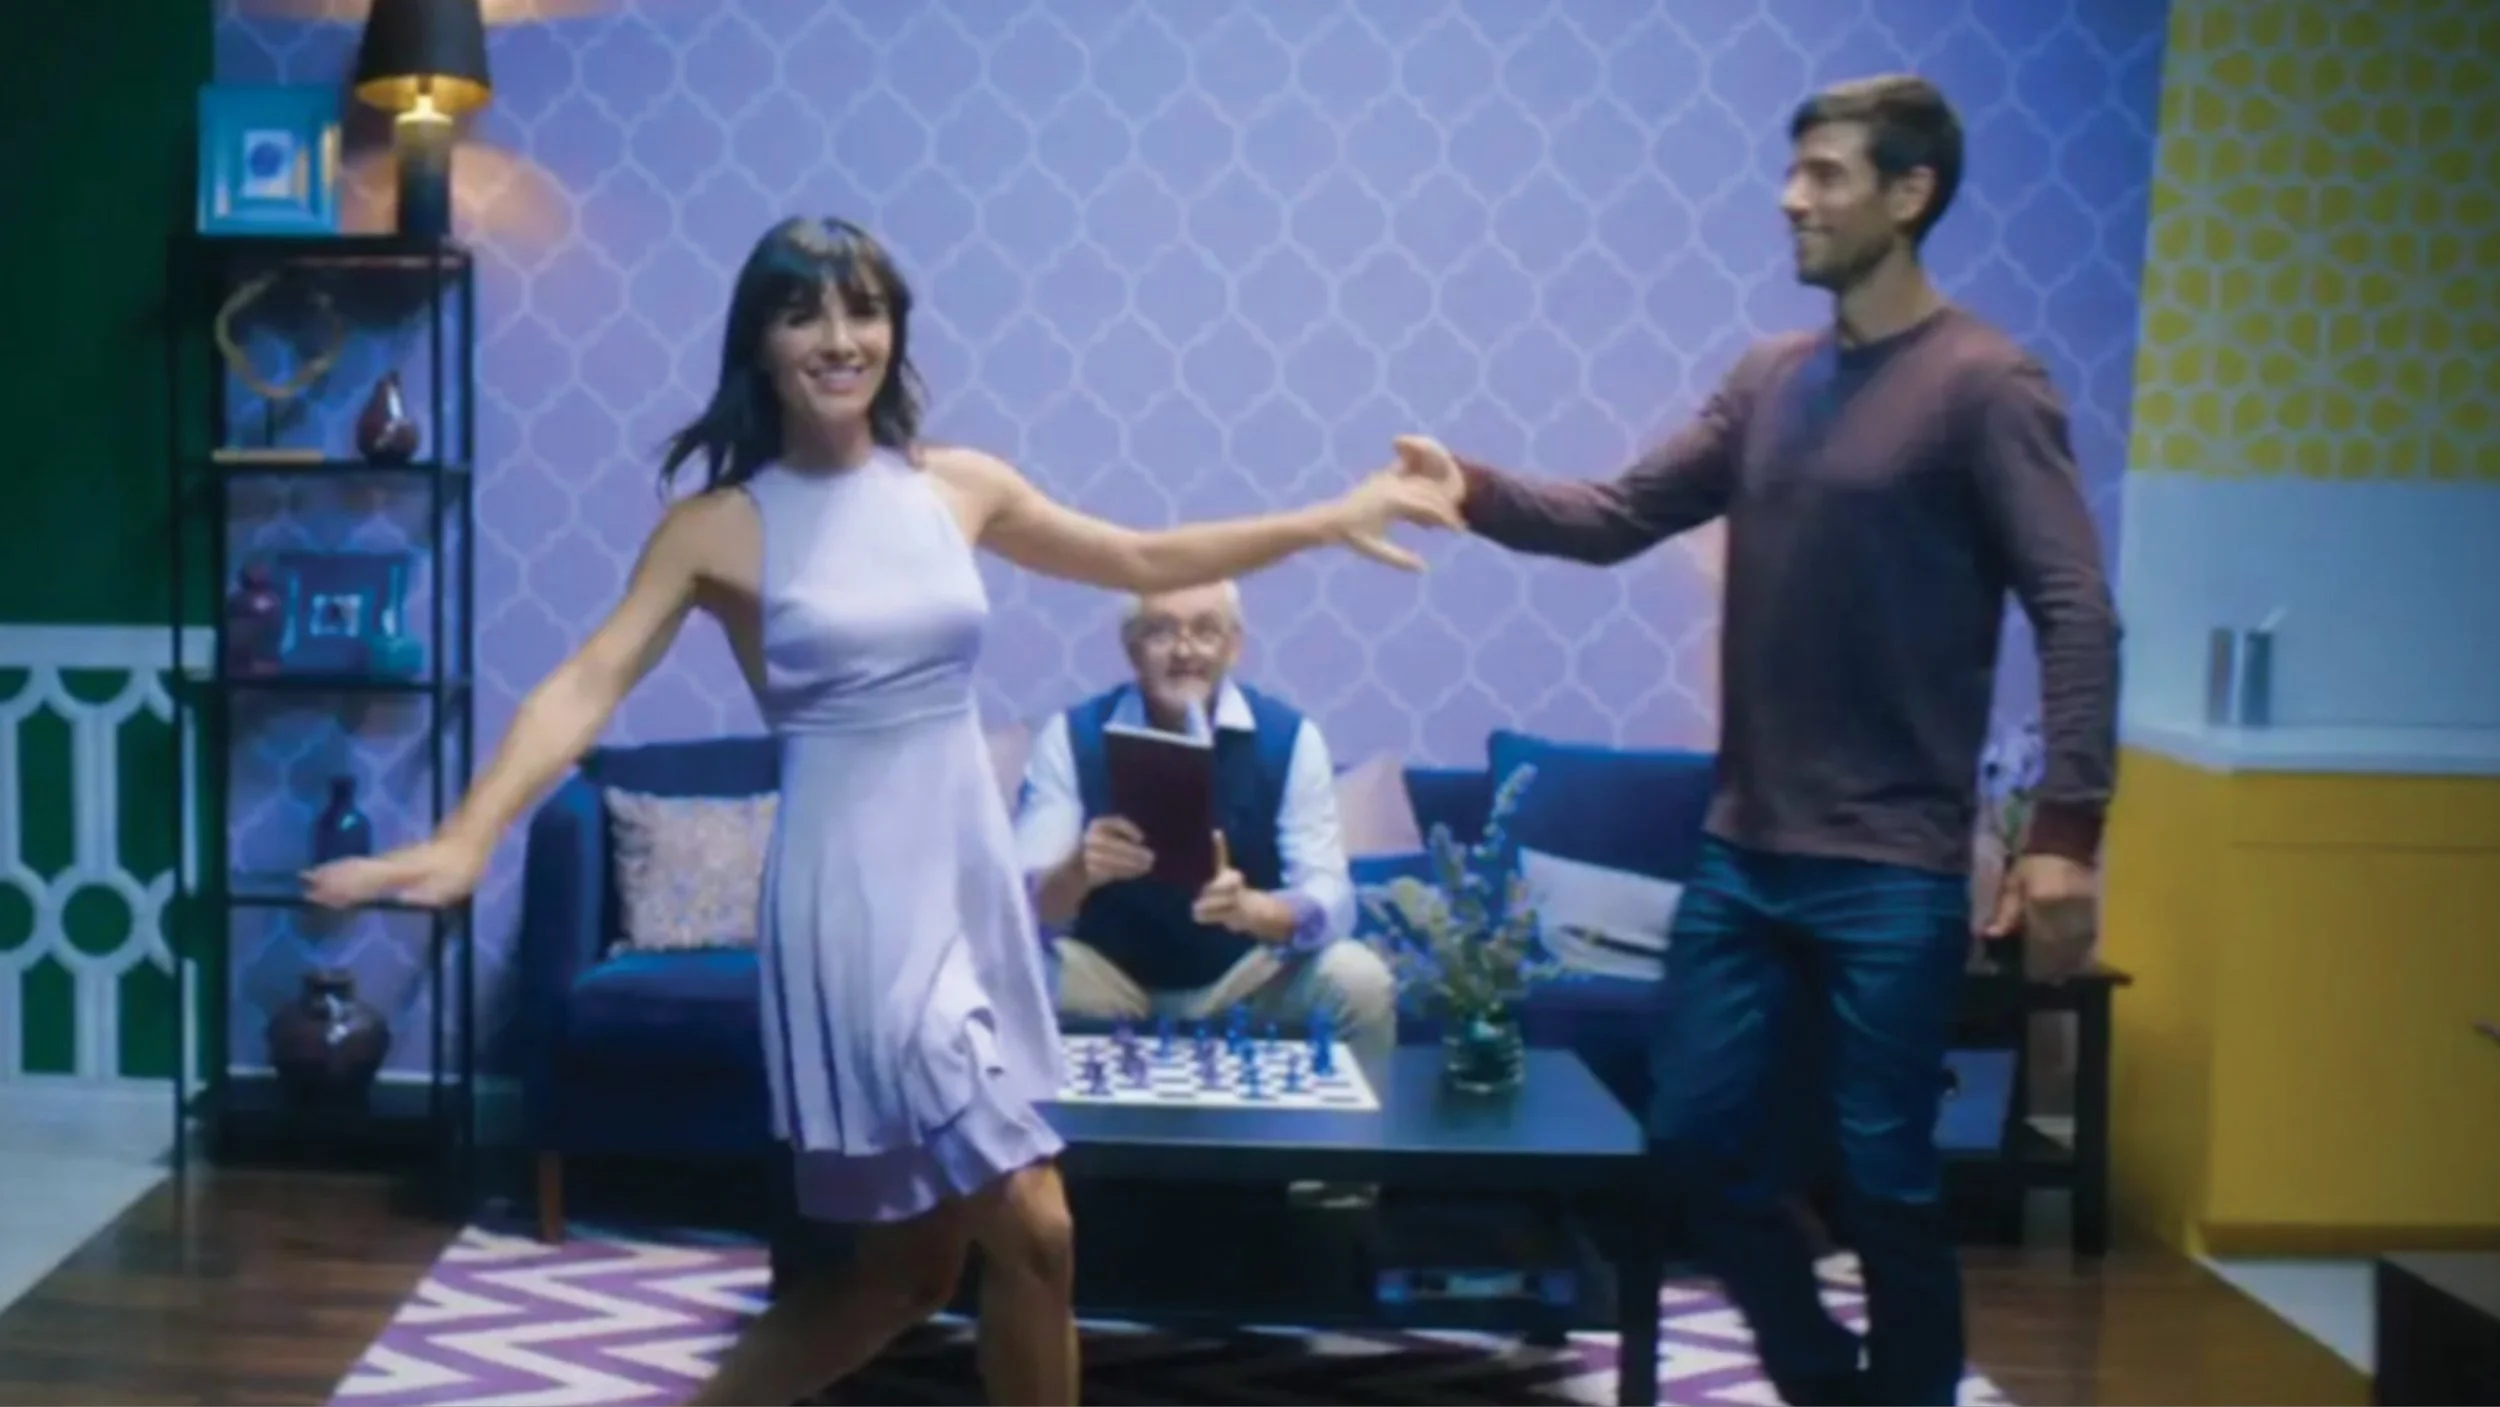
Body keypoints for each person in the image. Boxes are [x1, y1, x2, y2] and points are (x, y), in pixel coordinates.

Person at [299, 215, 1460, 1407]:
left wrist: (1325, 519)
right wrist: (469, 835)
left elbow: (1141, 555)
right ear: (758, 345)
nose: (839, 339)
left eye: (863, 310)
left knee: (906, 1275)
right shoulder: (719, 527)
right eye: (802, 314)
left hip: (965, 892)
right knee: (1038, 1230)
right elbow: (586, 681)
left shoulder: (957, 487)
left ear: (894, 331)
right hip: (855, 908)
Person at [1388, 76, 2120, 1405]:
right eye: (1794, 172)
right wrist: (1474, 491)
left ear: (1910, 193)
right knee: (1692, 1141)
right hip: (1745, 852)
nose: (1793, 198)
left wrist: (2064, 833)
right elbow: (1617, 513)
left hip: (1891, 865)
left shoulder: (1984, 385)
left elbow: (2075, 607)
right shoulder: (1768, 380)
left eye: (1827, 174)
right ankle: (1825, 1381)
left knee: (1886, 1174)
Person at [1014, 579, 1398, 1076]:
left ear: (1234, 646)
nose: (1185, 651)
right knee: (1003, 971)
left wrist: (1255, 910)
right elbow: (1020, 907)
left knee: (1359, 981)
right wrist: (1076, 873)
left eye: (1205, 631)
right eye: (1161, 632)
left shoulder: (1290, 738)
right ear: (1131, 649)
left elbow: (1332, 897)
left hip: (1244, 975)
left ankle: (1357, 1131)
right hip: (1106, 975)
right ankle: (1024, 1129)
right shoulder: (1071, 736)